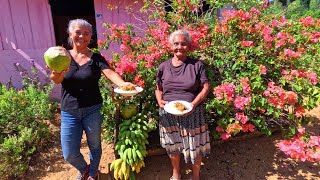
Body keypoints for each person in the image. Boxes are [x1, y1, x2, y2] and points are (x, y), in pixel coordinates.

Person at [49, 19, 133, 180]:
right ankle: (84, 168)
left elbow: (110, 73)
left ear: (91, 36)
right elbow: (56, 79)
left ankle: (93, 173)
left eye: (86, 33)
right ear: (70, 34)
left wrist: (123, 84)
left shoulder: (96, 58)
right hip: (69, 111)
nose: (82, 36)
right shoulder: (62, 55)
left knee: (94, 145)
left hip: (92, 109)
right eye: (78, 32)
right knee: (69, 153)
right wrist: (59, 71)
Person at [155, 29, 211, 180]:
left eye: (183, 44)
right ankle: (176, 173)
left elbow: (205, 87)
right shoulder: (163, 67)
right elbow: (158, 88)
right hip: (168, 112)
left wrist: (193, 104)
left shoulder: (197, 65)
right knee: (173, 145)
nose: (179, 46)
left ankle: (196, 175)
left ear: (189, 46)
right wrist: (159, 100)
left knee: (195, 146)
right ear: (171, 46)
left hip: (192, 111)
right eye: (176, 43)